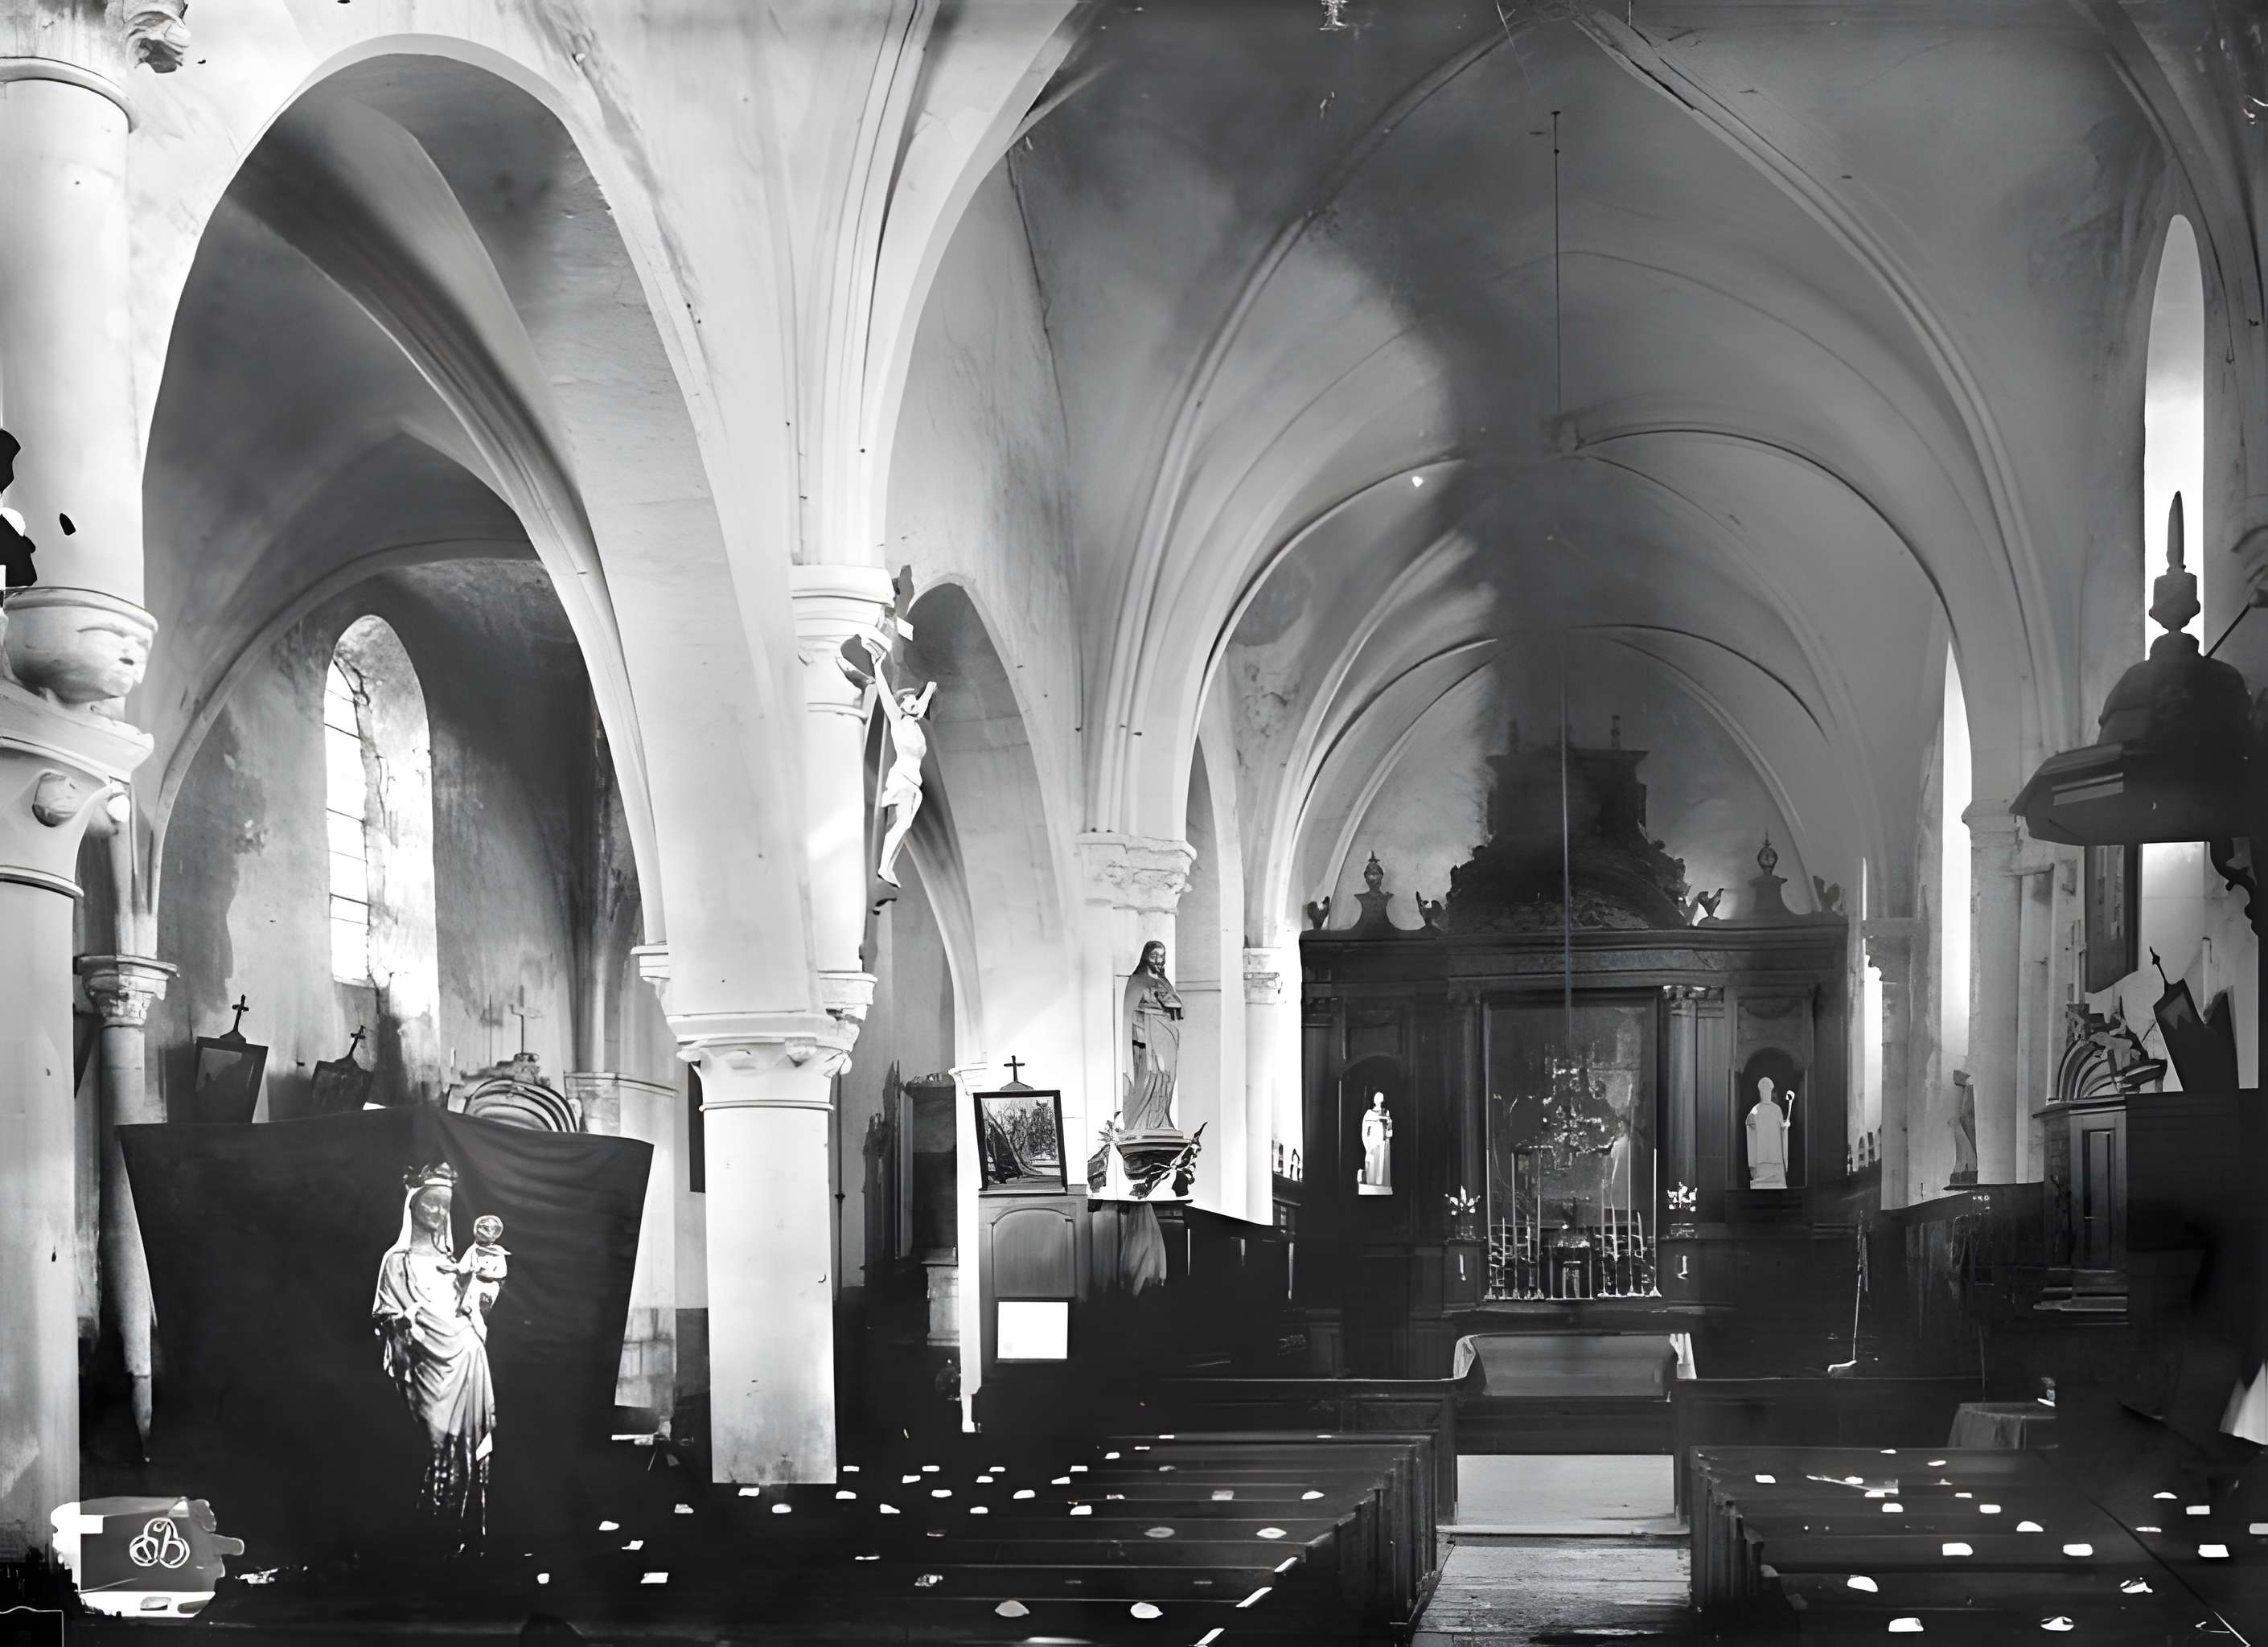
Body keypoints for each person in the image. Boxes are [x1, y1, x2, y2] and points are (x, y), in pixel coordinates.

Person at [371, 1164, 501, 1555]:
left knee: (470, 1441)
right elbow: (385, 1314)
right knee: (433, 1443)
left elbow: (471, 1309)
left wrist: (482, 1295)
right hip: (427, 1365)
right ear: (414, 1207)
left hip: (468, 1356)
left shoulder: (455, 1260)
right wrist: (412, 1320)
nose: (439, 1214)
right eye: (432, 1204)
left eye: (445, 1206)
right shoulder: (398, 1260)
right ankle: (427, 1535)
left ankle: (464, 1532)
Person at [861, 633, 939, 887]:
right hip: (904, 779)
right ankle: (882, 866)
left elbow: (927, 693)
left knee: (903, 827)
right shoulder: (898, 720)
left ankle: (887, 866)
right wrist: (878, 666)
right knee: (899, 824)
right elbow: (885, 694)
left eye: (916, 702)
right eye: (909, 701)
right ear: (902, 706)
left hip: (914, 786)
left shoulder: (915, 723)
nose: (915, 704)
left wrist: (929, 687)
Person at [1121, 941, 1183, 1133]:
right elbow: (1130, 1011)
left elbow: (1178, 1009)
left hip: (1165, 1036)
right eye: (1154, 955)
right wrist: (1153, 1007)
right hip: (1146, 1037)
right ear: (1146, 956)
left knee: (1167, 1077)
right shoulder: (1137, 980)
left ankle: (1160, 1118)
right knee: (1151, 1072)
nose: (1158, 960)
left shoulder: (1164, 982)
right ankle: (1143, 1121)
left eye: (1162, 956)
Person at [450, 1214, 509, 1320]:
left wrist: (488, 1272)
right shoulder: (473, 1250)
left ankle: (484, 1322)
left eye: (488, 1229)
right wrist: (458, 1268)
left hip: (492, 1286)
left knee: (486, 1311)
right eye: (483, 1228)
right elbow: (463, 1266)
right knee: (468, 1304)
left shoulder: (499, 1252)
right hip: (475, 1283)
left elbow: (502, 1272)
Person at [1358, 1094, 1394, 1194]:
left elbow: (1389, 1129)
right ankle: (1372, 1185)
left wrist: (1389, 1127)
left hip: (1384, 1143)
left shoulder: (1386, 1112)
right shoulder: (1369, 1113)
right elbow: (1364, 1131)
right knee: (1373, 1167)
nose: (1380, 1099)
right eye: (1377, 1097)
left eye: (1381, 1097)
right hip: (1373, 1144)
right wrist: (1367, 1146)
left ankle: (1382, 1186)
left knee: (1382, 1166)